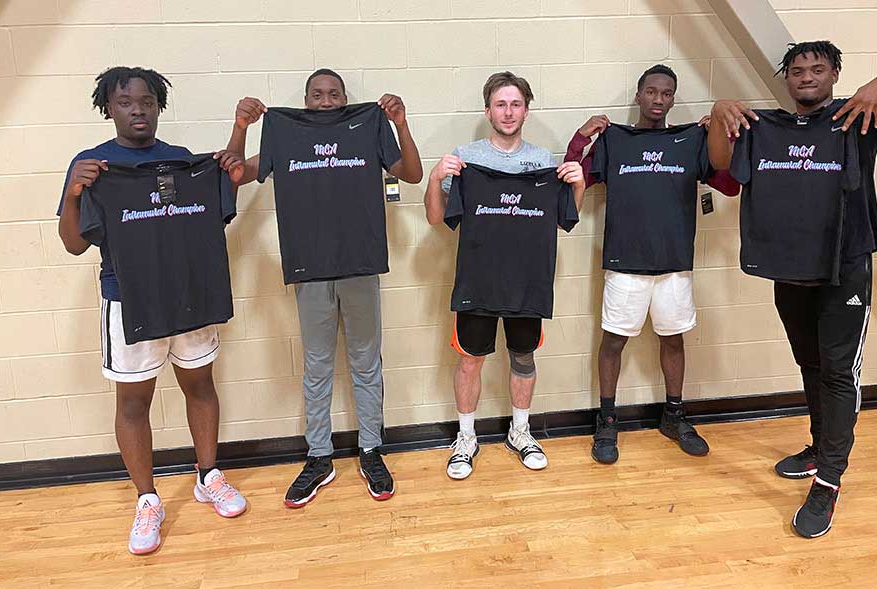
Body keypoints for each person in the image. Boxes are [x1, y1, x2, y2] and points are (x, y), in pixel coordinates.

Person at [707, 41, 877, 538]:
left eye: (817, 68)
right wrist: (715, 115)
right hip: (788, 270)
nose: (806, 76)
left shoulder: (859, 117)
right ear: (787, 79)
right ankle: (819, 446)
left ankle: (830, 481)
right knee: (810, 364)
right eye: (797, 70)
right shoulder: (762, 127)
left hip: (844, 270)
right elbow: (720, 163)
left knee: (837, 372)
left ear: (835, 74)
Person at [57, 66, 248, 555]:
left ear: (159, 106)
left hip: (186, 294)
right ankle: (147, 500)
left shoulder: (182, 162)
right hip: (128, 297)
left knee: (200, 384)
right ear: (109, 108)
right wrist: (76, 193)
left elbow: (216, 212)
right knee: (133, 402)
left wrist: (229, 159)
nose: (137, 110)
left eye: (146, 102)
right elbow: (74, 244)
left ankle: (208, 476)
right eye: (125, 103)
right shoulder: (91, 165)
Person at [226, 68, 423, 506]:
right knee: (316, 367)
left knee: (366, 363)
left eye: (334, 93)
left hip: (360, 264)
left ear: (345, 97)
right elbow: (235, 173)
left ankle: (372, 450)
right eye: (318, 94)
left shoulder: (367, 124)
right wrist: (240, 128)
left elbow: (410, 174)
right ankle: (319, 457)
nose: (327, 99)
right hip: (309, 267)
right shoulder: (284, 129)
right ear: (306, 99)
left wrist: (401, 124)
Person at [565, 64, 741, 464]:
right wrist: (582, 137)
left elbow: (730, 184)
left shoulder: (691, 140)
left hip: (674, 263)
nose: (658, 99)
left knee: (673, 339)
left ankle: (673, 415)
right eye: (651, 92)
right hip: (625, 262)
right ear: (639, 96)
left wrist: (720, 136)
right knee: (613, 341)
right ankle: (607, 419)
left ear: (673, 98)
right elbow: (575, 177)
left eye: (666, 93)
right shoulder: (615, 141)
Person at [423, 71, 586, 479]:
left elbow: (565, 219)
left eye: (515, 104)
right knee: (470, 361)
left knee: (523, 357)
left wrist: (577, 185)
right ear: (488, 110)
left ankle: (520, 430)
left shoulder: (544, 163)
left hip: (527, 281)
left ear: (526, 110)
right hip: (477, 280)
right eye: (501, 104)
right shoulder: (466, 158)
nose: (508, 112)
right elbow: (435, 217)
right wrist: (435, 178)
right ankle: (466, 438)